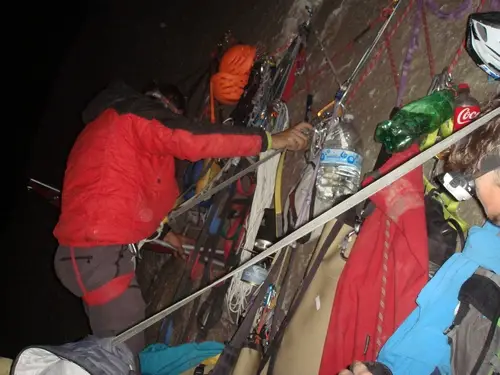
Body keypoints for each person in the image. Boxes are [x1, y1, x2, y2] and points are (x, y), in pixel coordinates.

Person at [52, 80, 312, 358]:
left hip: (88, 257)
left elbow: (126, 194)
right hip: (98, 256)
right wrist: (272, 139)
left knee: (111, 345)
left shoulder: (108, 131)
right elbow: (192, 138)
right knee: (121, 355)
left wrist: (165, 234)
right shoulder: (134, 114)